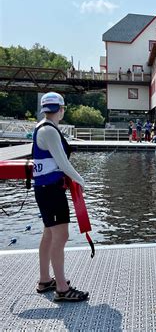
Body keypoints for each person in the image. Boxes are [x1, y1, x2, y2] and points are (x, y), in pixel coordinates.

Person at [33, 92, 89, 302]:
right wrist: (81, 181)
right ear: (61, 109)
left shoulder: (42, 127)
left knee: (49, 233)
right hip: (51, 190)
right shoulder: (49, 130)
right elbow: (63, 163)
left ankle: (45, 279)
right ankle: (63, 288)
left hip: (45, 188)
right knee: (61, 236)